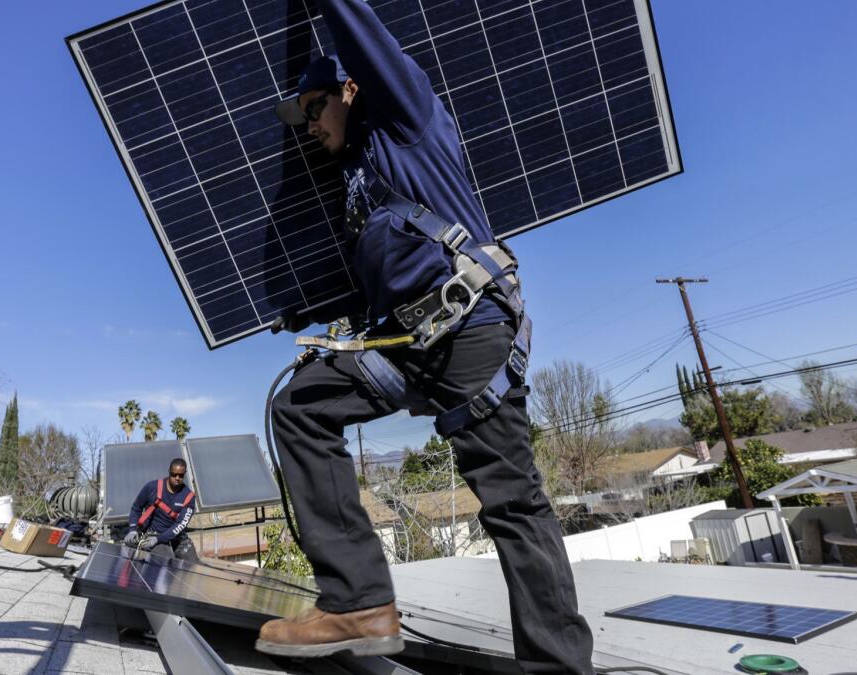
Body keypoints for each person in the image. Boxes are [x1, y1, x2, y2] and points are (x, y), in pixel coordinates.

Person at [261, 2, 595, 672]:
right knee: (299, 405)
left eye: (315, 108)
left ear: (351, 89)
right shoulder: (355, 177)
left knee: (510, 500)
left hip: (470, 328)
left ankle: (558, 665)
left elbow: (360, 34)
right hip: (406, 347)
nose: (309, 127)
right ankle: (358, 602)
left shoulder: (407, 120)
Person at [124, 457, 198, 562]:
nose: (177, 478)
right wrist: (132, 530)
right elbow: (136, 508)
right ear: (169, 472)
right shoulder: (151, 487)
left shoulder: (188, 497)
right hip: (154, 535)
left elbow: (180, 525)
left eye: (181, 475)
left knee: (193, 566)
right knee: (166, 563)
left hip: (175, 536)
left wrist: (158, 539)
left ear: (185, 474)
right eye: (173, 474)